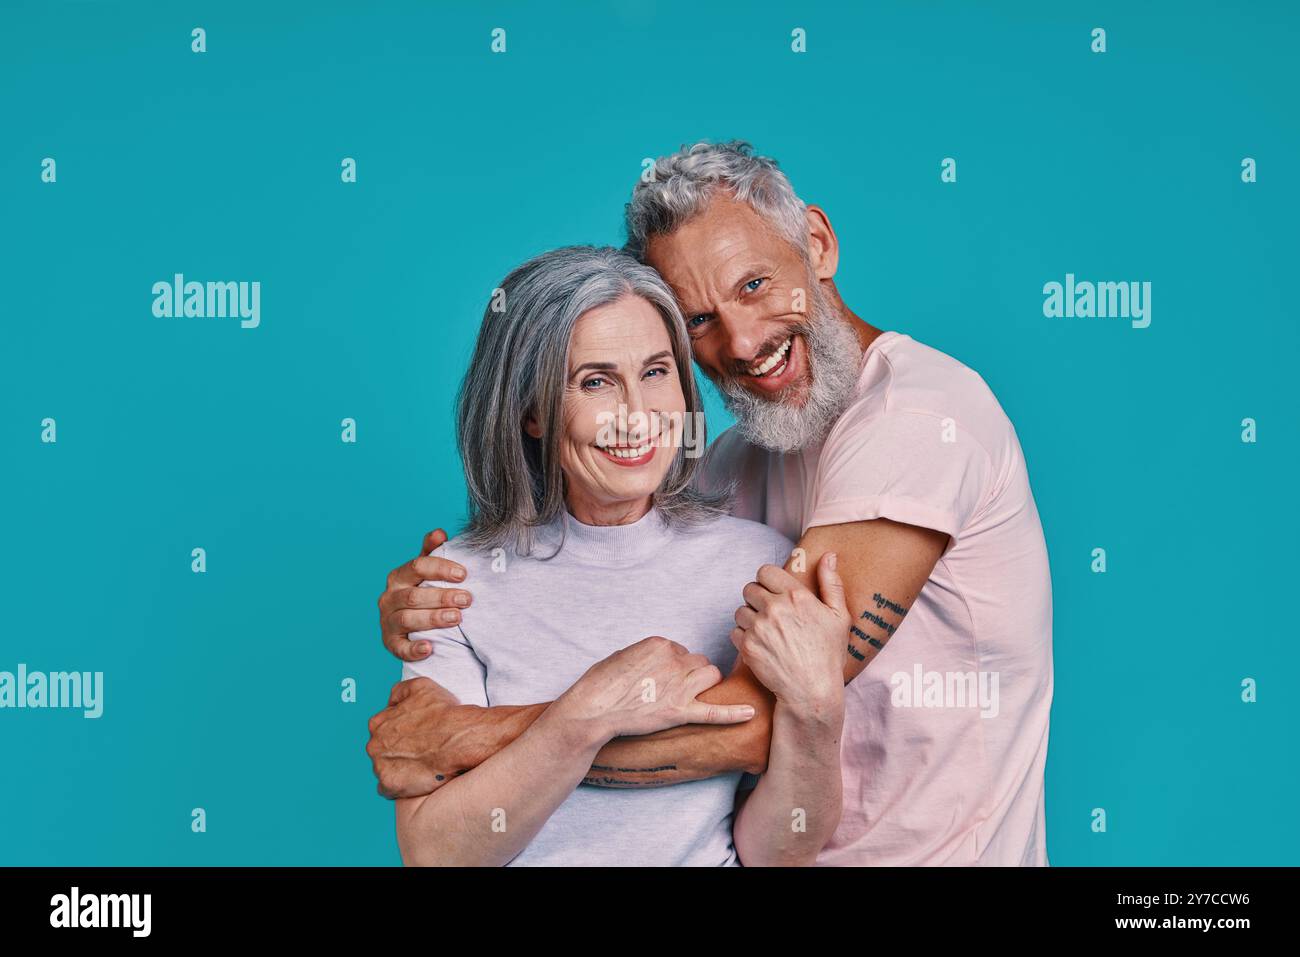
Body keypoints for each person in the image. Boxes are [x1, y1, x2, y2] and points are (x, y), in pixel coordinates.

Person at [370, 141, 1054, 866]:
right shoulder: (732, 468)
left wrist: (468, 734)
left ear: (816, 245)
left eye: (755, 284)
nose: (743, 339)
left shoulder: (917, 419)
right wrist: (428, 597)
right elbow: (622, 552)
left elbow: (749, 725)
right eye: (698, 319)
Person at [382, 244, 847, 866]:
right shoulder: (454, 588)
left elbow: (779, 851)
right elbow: (438, 852)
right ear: (532, 412)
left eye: (656, 373)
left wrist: (818, 714)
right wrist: (587, 711)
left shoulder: (759, 567)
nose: (638, 417)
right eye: (595, 381)